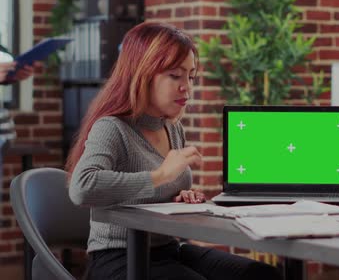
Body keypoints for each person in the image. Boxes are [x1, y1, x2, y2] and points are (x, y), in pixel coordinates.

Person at [66, 22, 283, 280]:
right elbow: (82, 187)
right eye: (175, 76)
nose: (187, 88)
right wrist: (161, 175)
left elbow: (154, 193)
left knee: (261, 275)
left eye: (191, 76)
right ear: (142, 74)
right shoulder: (112, 127)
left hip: (168, 249)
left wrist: (181, 195)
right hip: (117, 256)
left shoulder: (173, 129)